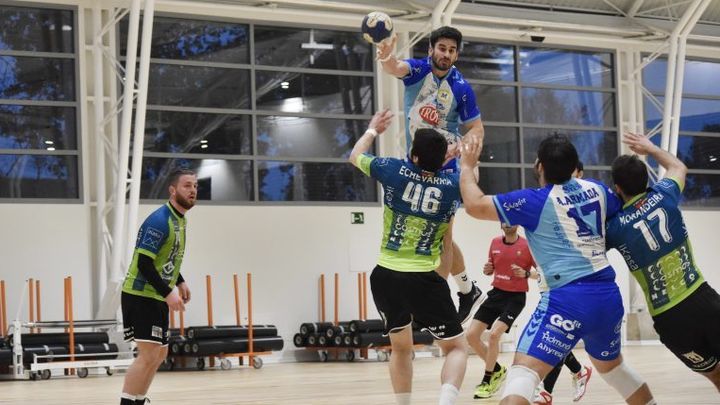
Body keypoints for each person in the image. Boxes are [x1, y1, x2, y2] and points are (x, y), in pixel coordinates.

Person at [459, 133, 656, 405]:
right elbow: (624, 204)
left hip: (566, 300)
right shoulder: (598, 190)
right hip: (607, 297)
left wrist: (467, 166)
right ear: (575, 166)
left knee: (523, 375)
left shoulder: (534, 201)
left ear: (539, 166)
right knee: (614, 370)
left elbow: (474, 205)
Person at [349, 109, 468, 405]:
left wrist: (373, 129)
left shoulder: (392, 171)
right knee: (456, 348)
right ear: (442, 160)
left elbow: (355, 156)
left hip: (385, 276)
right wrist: (461, 156)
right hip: (424, 278)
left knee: (401, 348)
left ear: (413, 156)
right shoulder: (453, 187)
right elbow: (468, 180)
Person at [376, 25, 486, 323]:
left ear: (456, 55)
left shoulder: (462, 88)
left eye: (452, 50)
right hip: (417, 163)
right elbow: (394, 67)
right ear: (431, 50)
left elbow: (477, 129)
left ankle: (437, 301)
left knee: (443, 235)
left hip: (447, 167)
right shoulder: (417, 71)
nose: (446, 54)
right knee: (429, 235)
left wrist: (459, 149)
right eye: (442, 48)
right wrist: (385, 56)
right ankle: (467, 290)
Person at [606, 132, 720, 392]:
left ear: (617, 188)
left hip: (669, 319)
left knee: (716, 375)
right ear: (646, 179)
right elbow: (678, 166)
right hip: (702, 299)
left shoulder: (614, 228)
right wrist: (650, 148)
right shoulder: (665, 194)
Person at [119, 168, 197, 405]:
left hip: (156, 295)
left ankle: (138, 400)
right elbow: (144, 263)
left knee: (160, 353)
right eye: (187, 185)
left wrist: (179, 280)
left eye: (195, 186)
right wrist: (168, 292)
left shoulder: (180, 219)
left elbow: (166, 257)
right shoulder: (160, 220)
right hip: (141, 294)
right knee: (148, 354)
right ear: (172, 190)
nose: (193, 190)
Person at [533, 160, 593, 405]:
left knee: (555, 338)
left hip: (574, 285)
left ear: (579, 173)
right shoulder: (549, 202)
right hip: (551, 284)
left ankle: (547, 390)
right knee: (557, 339)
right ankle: (578, 371)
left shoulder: (588, 201)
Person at [469, 223, 537, 399]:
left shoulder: (527, 245)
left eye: (511, 220)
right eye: (504, 220)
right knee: (471, 336)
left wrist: (527, 274)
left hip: (515, 298)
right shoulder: (495, 242)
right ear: (501, 224)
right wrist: (488, 270)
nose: (508, 223)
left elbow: (542, 273)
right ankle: (498, 370)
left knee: (494, 335)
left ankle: (487, 380)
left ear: (517, 223)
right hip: (496, 294)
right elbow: (490, 268)